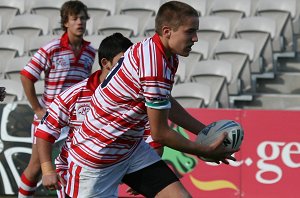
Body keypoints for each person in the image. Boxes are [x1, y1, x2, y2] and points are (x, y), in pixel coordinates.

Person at [48, 1, 238, 197]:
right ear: (167, 31)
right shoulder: (154, 63)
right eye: (190, 31)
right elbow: (160, 133)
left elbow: (167, 103)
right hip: (97, 157)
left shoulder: (164, 54)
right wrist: (204, 149)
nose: (195, 38)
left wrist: (205, 132)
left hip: (130, 150)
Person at [35, 33, 143, 198]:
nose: (130, 66)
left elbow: (149, 133)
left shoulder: (134, 94)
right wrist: (47, 169)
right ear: (105, 63)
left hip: (111, 170)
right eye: (123, 61)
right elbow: (45, 131)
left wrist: (143, 174)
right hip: (73, 173)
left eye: (132, 61)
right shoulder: (75, 94)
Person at [18, 1, 95, 197]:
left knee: (71, 166)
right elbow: (27, 75)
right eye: (75, 18)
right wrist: (37, 108)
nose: (80, 22)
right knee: (36, 167)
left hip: (74, 121)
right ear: (65, 22)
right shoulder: (51, 48)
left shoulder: (90, 52)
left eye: (83, 18)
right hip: (49, 118)